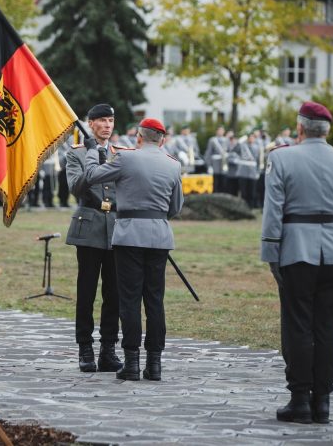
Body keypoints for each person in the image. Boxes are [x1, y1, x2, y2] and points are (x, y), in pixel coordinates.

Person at [261, 101, 333, 424]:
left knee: (298, 325)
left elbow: (273, 210)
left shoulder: (281, 157)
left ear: (300, 128)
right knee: (327, 328)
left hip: (297, 251)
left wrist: (271, 253)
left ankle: (300, 399)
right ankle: (323, 400)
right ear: (327, 130)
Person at [84, 117, 184, 382]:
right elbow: (175, 206)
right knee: (155, 300)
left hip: (129, 235)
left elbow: (92, 176)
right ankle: (154, 364)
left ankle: (131, 363)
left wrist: (93, 151)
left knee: (129, 300)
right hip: (159, 236)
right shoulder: (173, 164)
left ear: (139, 137)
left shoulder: (126, 158)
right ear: (162, 140)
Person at [65, 104, 122, 373]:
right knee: (86, 291)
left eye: (110, 120)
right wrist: (91, 154)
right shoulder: (76, 153)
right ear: (91, 124)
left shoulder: (120, 154)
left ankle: (108, 349)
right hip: (89, 226)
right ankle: (85, 347)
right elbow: (76, 187)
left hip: (117, 229)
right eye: (102, 121)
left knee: (115, 293)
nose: (107, 125)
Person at [204, 126, 229, 193]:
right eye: (219, 130)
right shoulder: (212, 140)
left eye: (222, 130)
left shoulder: (226, 140)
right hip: (215, 164)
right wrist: (209, 165)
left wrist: (228, 155)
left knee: (224, 183)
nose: (220, 132)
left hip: (224, 163)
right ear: (216, 131)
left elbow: (229, 150)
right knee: (215, 183)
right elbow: (208, 153)